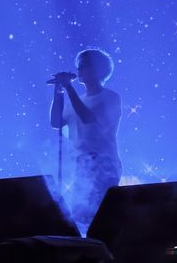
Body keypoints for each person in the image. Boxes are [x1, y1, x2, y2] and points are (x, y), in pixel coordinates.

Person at [50, 48, 122, 230]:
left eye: (83, 66)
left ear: (98, 70)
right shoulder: (76, 100)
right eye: (78, 66)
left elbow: (88, 118)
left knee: (102, 220)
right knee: (80, 218)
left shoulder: (110, 98)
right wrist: (58, 91)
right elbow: (56, 122)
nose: (79, 70)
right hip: (81, 166)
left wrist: (68, 87)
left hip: (103, 165)